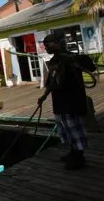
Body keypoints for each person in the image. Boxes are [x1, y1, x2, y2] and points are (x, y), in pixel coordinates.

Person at [38, 33, 96, 170]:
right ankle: (72, 152)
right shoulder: (53, 62)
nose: (45, 47)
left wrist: (74, 59)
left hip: (72, 101)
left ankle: (79, 157)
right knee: (65, 131)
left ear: (58, 43)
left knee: (75, 130)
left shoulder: (71, 58)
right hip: (59, 103)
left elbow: (91, 67)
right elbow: (52, 83)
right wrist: (44, 96)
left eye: (48, 43)